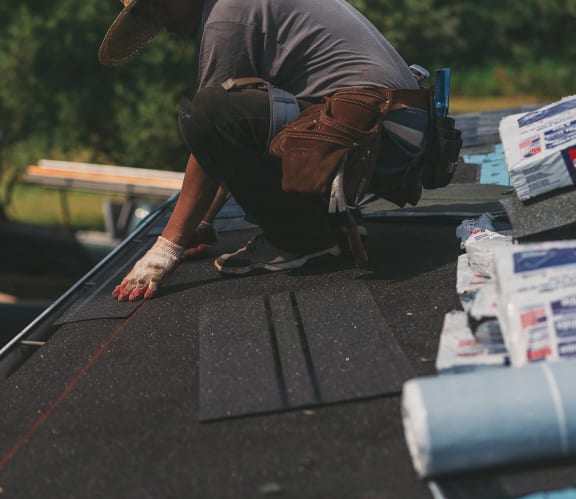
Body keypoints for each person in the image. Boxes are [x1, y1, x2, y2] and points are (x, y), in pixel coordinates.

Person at [100, 0, 425, 302]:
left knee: (203, 113)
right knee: (235, 110)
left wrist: (166, 248)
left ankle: (302, 239)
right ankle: (323, 226)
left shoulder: (226, 17)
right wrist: (202, 222)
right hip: (395, 134)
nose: (160, 24)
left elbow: (215, 128)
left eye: (154, 8)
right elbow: (232, 140)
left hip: (379, 137)